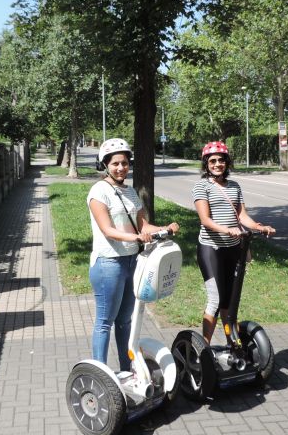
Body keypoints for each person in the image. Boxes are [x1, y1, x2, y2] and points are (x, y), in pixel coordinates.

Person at [87, 138, 180, 372]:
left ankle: (126, 369)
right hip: (108, 263)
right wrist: (136, 238)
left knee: (125, 321)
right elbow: (108, 230)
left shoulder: (129, 191)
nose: (121, 168)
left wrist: (164, 229)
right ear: (105, 164)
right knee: (104, 322)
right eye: (116, 163)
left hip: (131, 261)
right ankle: (101, 374)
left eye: (125, 163)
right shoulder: (99, 192)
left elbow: (142, 225)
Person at [192, 141, 276, 344]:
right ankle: (204, 349)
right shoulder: (201, 186)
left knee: (230, 301)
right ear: (206, 164)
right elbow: (205, 220)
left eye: (221, 160)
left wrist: (258, 227)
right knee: (215, 300)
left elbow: (242, 216)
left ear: (227, 163)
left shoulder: (234, 186)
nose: (217, 164)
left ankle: (232, 343)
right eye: (212, 161)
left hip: (233, 249)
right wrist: (228, 230)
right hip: (210, 249)